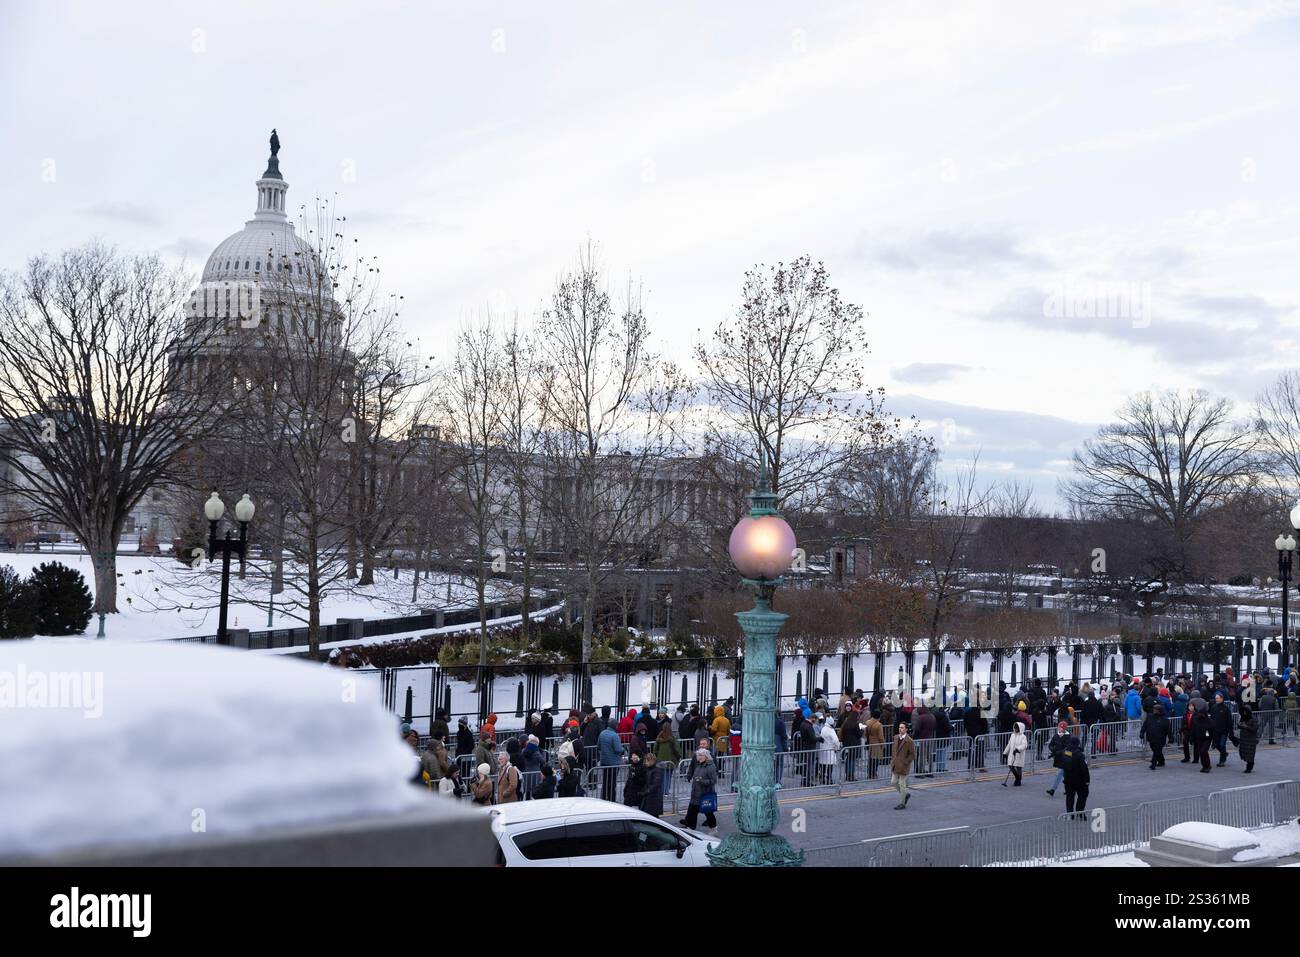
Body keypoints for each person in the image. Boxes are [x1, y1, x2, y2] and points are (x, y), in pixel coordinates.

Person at [680, 748, 719, 833]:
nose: (699, 757)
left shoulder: (710, 766)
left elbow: (713, 781)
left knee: (708, 812)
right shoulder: (699, 765)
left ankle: (713, 828)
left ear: (706, 756)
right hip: (695, 793)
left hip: (705, 794)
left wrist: (702, 781)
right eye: (698, 755)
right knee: (691, 811)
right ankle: (691, 828)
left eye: (701, 755)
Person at [1060, 737, 1090, 819]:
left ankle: (1070, 813)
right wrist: (1087, 780)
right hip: (1079, 780)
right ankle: (1080, 812)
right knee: (1083, 795)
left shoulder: (1065, 752)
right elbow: (1084, 768)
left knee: (1069, 797)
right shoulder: (1079, 754)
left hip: (1068, 779)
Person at [598, 719, 625, 802]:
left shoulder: (602, 733)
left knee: (605, 782)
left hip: (604, 762)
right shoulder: (614, 735)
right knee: (612, 783)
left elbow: (598, 746)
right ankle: (611, 799)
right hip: (613, 763)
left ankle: (603, 798)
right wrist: (623, 749)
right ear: (615, 726)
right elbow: (618, 749)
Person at [891, 722, 915, 809]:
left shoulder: (909, 741)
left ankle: (902, 803)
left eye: (902, 727)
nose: (900, 729)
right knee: (893, 782)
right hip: (896, 764)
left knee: (902, 784)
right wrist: (893, 760)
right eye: (899, 727)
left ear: (906, 729)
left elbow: (912, 754)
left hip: (904, 766)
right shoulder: (896, 737)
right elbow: (894, 750)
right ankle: (905, 794)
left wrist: (905, 762)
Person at [652, 724, 682, 795]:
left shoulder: (659, 737)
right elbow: (677, 749)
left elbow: (655, 749)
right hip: (670, 760)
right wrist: (678, 756)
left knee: (661, 777)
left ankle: (661, 791)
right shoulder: (672, 738)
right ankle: (666, 791)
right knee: (668, 776)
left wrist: (657, 756)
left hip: (660, 760)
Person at [1045, 720, 1070, 796]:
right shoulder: (1056, 735)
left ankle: (1053, 789)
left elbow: (1067, 748)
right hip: (1058, 758)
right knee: (1065, 775)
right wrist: (1052, 749)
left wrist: (1060, 752)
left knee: (1059, 773)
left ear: (1064, 729)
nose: (1059, 728)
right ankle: (1068, 789)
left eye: (1061, 727)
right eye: (1059, 727)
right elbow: (1051, 744)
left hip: (1065, 758)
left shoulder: (1068, 737)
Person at [839, 704, 862, 781]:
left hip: (846, 743)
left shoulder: (846, 723)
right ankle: (851, 775)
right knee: (852, 760)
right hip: (854, 743)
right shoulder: (856, 724)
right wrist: (862, 730)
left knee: (848, 759)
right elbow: (859, 735)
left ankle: (847, 775)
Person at [1233, 705, 1258, 773]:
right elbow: (1240, 726)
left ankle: (1249, 767)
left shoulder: (1254, 718)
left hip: (1251, 739)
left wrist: (1246, 727)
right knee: (1243, 753)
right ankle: (1249, 765)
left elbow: (1254, 729)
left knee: (1250, 754)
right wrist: (1239, 725)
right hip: (1243, 739)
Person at [1002, 720, 1028, 786]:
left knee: (1018, 767)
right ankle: (1018, 777)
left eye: (1017, 728)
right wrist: (1005, 752)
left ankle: (1018, 780)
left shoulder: (1023, 736)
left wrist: (1018, 748)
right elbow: (1009, 744)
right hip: (1012, 754)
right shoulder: (1012, 735)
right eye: (1015, 727)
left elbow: (1024, 745)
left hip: (1019, 754)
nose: (1015, 729)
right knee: (1010, 766)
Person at [1210, 692, 1233, 767]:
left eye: (1218, 698)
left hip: (1224, 730)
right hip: (1216, 730)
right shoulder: (1213, 707)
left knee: (1222, 745)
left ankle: (1222, 761)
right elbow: (1212, 718)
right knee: (1216, 745)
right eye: (1215, 698)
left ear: (1222, 699)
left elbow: (1229, 720)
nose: (1216, 699)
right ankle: (1224, 753)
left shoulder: (1226, 709)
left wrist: (1230, 730)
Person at [1146, 702, 1169, 769]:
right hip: (1152, 737)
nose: (1154, 710)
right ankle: (1161, 761)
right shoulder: (1150, 717)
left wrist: (1171, 738)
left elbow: (1168, 730)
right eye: (1154, 709)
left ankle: (1153, 763)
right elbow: (1145, 724)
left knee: (1156, 750)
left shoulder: (1165, 720)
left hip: (1160, 738)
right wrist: (1142, 732)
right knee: (1155, 749)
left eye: (1156, 709)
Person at [865, 709, 886, 780]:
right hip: (877, 743)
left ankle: (869, 773)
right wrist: (883, 744)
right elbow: (881, 737)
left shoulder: (868, 722)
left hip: (870, 741)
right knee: (876, 759)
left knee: (870, 758)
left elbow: (865, 733)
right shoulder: (879, 725)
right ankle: (874, 773)